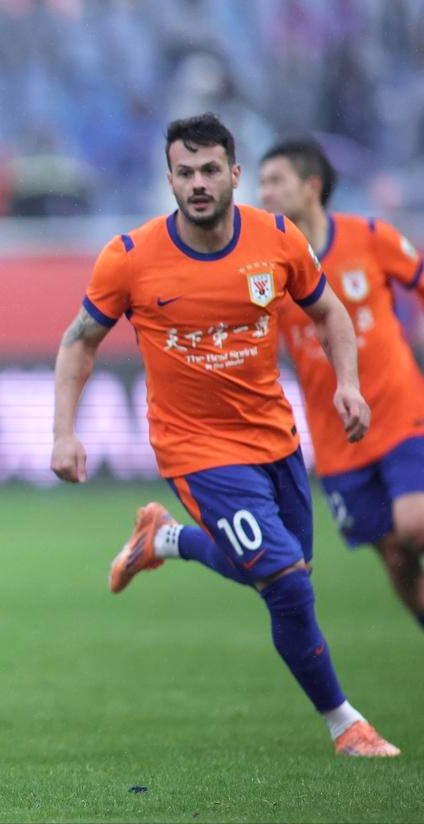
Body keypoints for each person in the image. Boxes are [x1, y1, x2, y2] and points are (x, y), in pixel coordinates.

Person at [51, 113, 399, 757]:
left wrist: (348, 384)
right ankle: (346, 725)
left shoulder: (277, 239)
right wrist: (63, 433)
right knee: (287, 583)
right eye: (185, 173)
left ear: (235, 174)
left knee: (282, 571)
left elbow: (329, 313)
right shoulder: (130, 257)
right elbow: (80, 341)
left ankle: (166, 540)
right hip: (196, 449)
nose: (198, 184)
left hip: (274, 439)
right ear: (169, 180)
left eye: (210, 170)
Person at [258, 137, 424, 630]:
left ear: (311, 187)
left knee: (414, 525)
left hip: (400, 412)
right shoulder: (267, 267)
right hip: (338, 440)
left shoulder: (369, 236)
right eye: (261, 183)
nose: (264, 193)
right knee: (395, 555)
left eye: (275, 181)